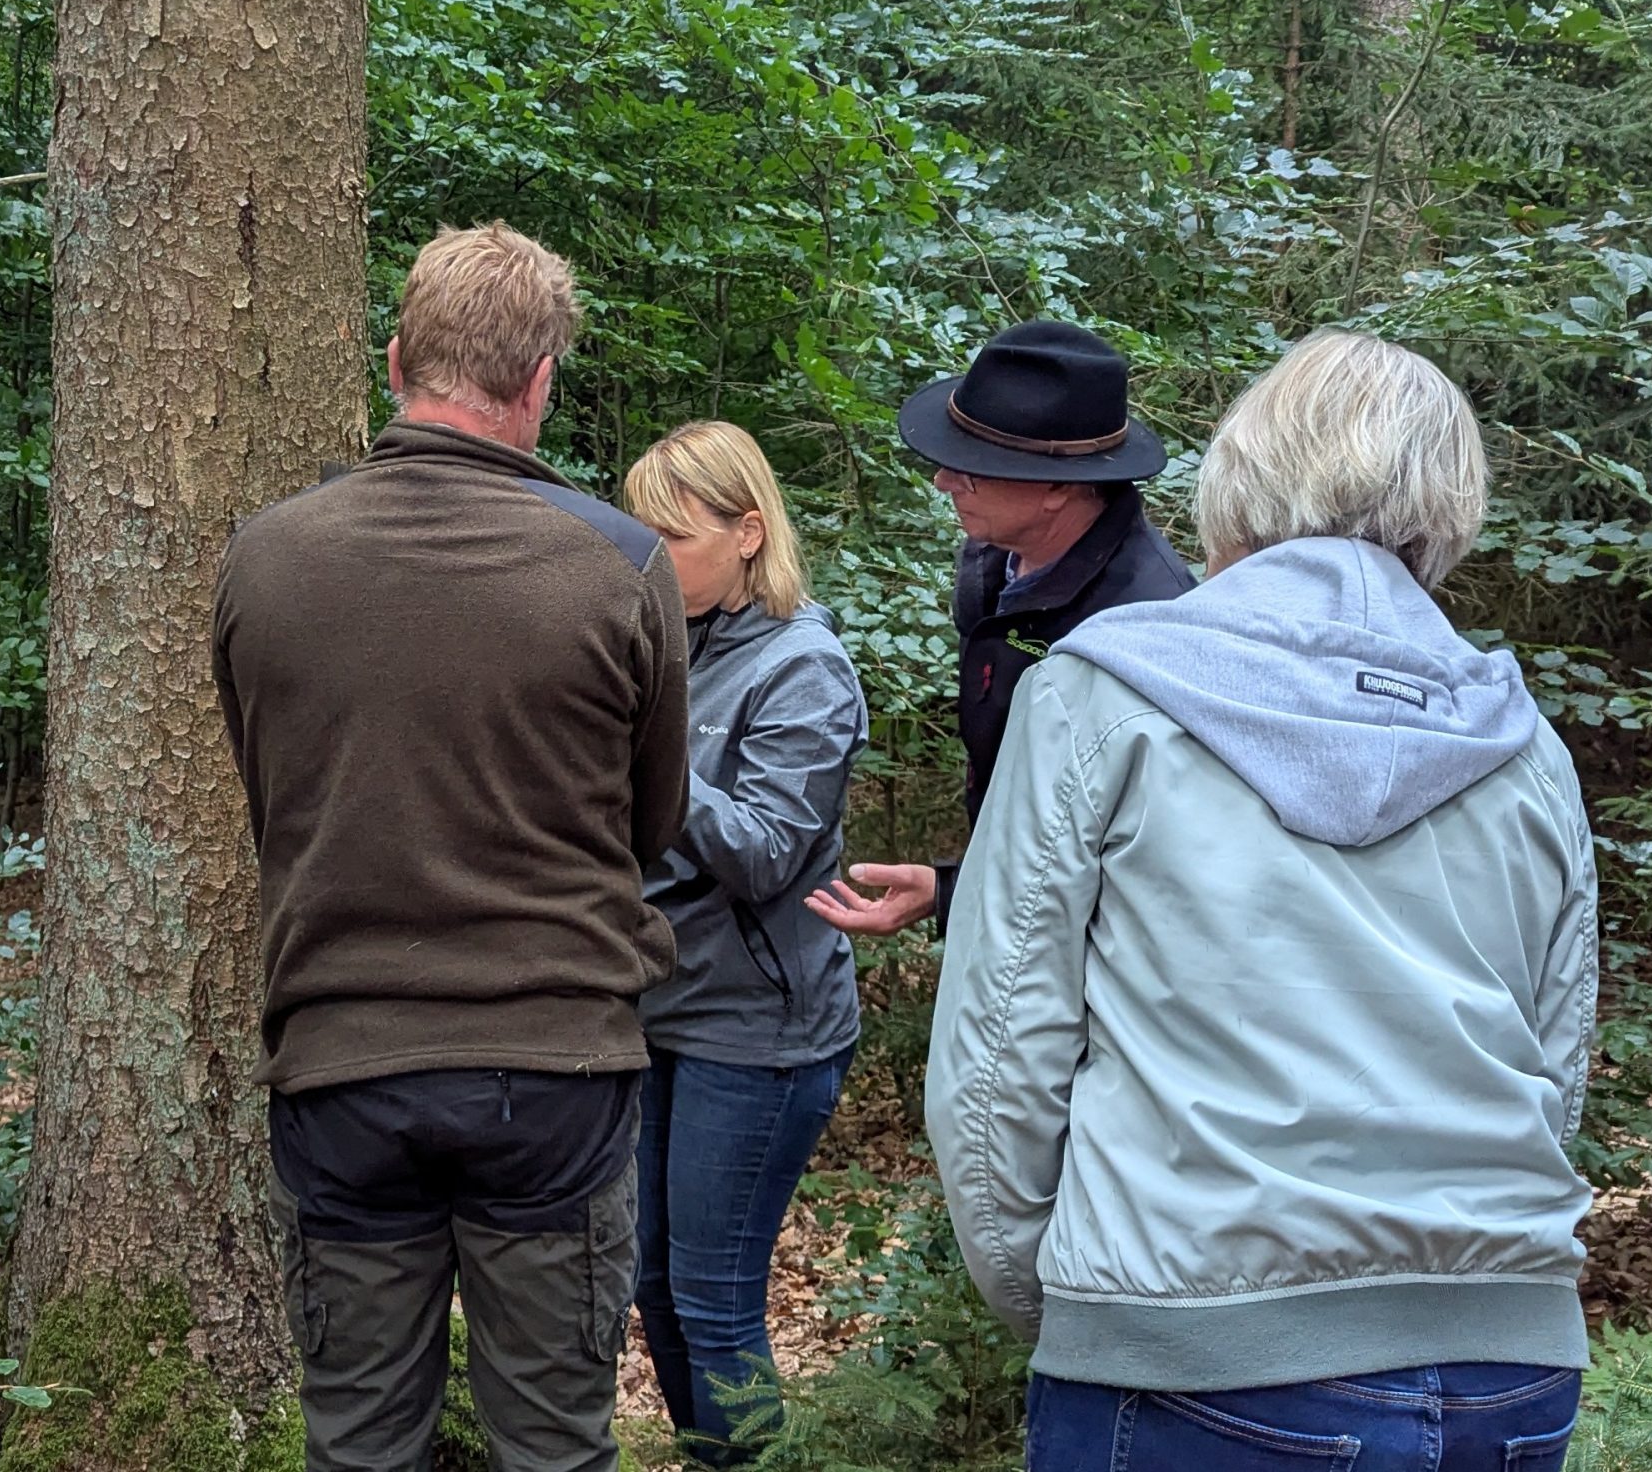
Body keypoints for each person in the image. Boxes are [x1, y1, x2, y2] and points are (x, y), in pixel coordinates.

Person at [927, 329, 1598, 1471]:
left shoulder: (1102, 693)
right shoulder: (1521, 743)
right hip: (1511, 1366)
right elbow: (1554, 1059)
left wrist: (1086, 1305)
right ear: (1451, 506)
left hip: (1196, 1353)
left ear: (1237, 480)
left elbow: (999, 1059)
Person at [211, 221, 690, 1472]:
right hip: (554, 1065)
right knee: (553, 1448)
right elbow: (650, 824)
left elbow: (277, 794)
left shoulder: (262, 561)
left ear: (394, 361)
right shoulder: (623, 566)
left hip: (342, 1060)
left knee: (361, 1443)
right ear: (539, 380)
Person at [620, 422, 868, 1466]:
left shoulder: (804, 668)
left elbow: (764, 853)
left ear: (748, 533)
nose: (645, 560)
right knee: (651, 1288)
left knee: (715, 1303)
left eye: (670, 537)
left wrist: (652, 748)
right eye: (637, 535)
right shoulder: (665, 637)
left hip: (761, 1031)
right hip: (652, 1008)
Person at [805, 320, 1190, 940]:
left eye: (973, 468)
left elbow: (1134, 868)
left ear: (1060, 486)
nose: (944, 481)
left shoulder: (1149, 628)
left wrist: (969, 898)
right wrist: (951, 889)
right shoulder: (997, 562)